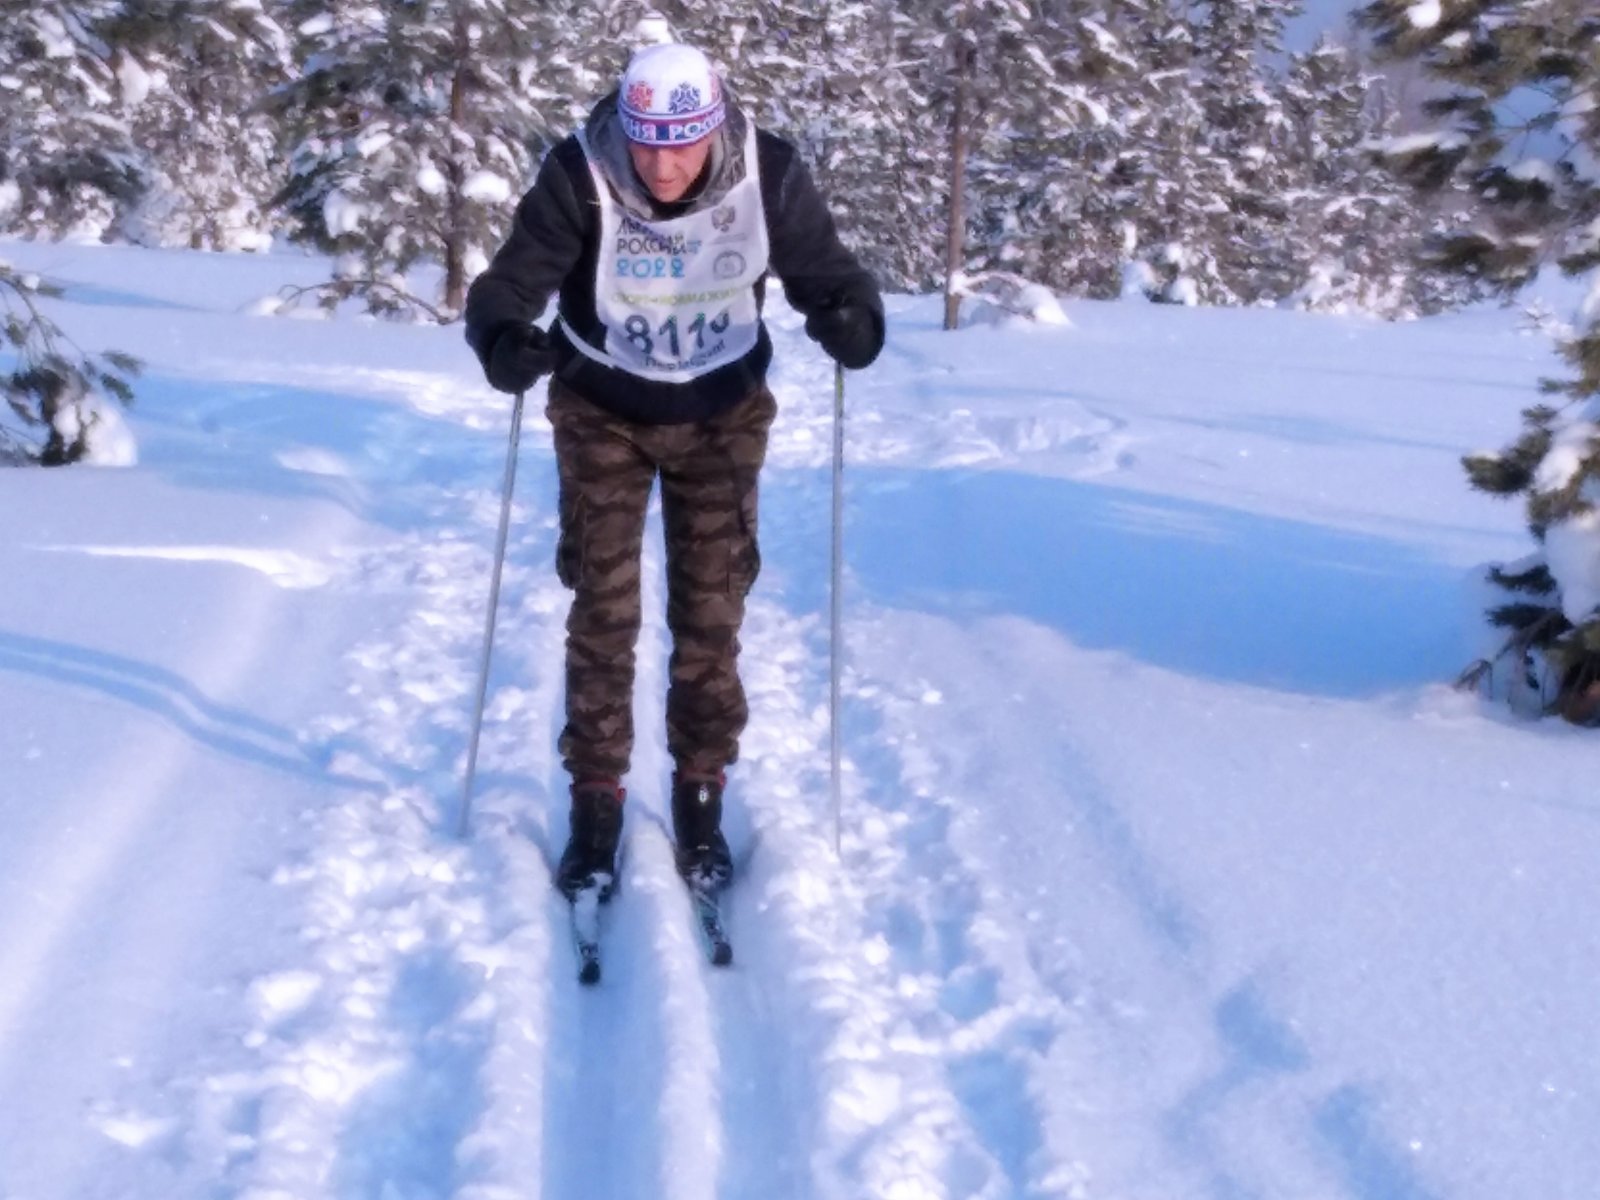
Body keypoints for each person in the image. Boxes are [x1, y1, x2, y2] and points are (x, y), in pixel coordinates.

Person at [464, 42, 883, 900]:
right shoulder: (580, 171)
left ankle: (700, 792)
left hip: (721, 412)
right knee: (604, 611)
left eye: (680, 144)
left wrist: (855, 321)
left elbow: (828, 277)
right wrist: (503, 339)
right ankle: (596, 804)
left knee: (711, 611)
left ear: (714, 127)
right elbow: (507, 285)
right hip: (602, 409)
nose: (659, 163)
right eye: (645, 141)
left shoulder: (766, 170)